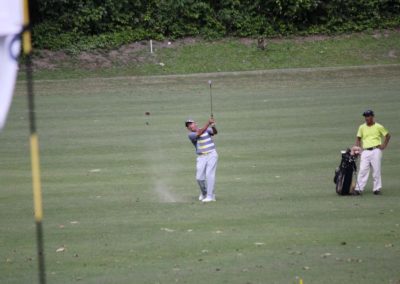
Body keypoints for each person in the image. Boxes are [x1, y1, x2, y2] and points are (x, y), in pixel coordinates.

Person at [354, 110, 391, 195]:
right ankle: (358, 189)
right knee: (362, 170)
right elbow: (358, 138)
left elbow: (388, 135)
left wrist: (383, 145)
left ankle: (377, 189)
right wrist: (358, 149)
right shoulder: (361, 127)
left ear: (372, 117)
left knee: (376, 170)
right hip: (365, 151)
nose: (366, 118)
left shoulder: (379, 126)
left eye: (368, 116)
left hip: (376, 150)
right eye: (365, 116)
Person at [185, 117, 218, 202]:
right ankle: (204, 193)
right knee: (199, 178)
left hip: (212, 154)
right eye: (188, 126)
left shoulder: (207, 129)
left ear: (195, 123)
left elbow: (215, 132)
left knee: (209, 175)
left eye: (191, 124)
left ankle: (210, 196)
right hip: (201, 157)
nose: (190, 126)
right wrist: (208, 123)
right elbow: (199, 133)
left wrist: (213, 126)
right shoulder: (191, 135)